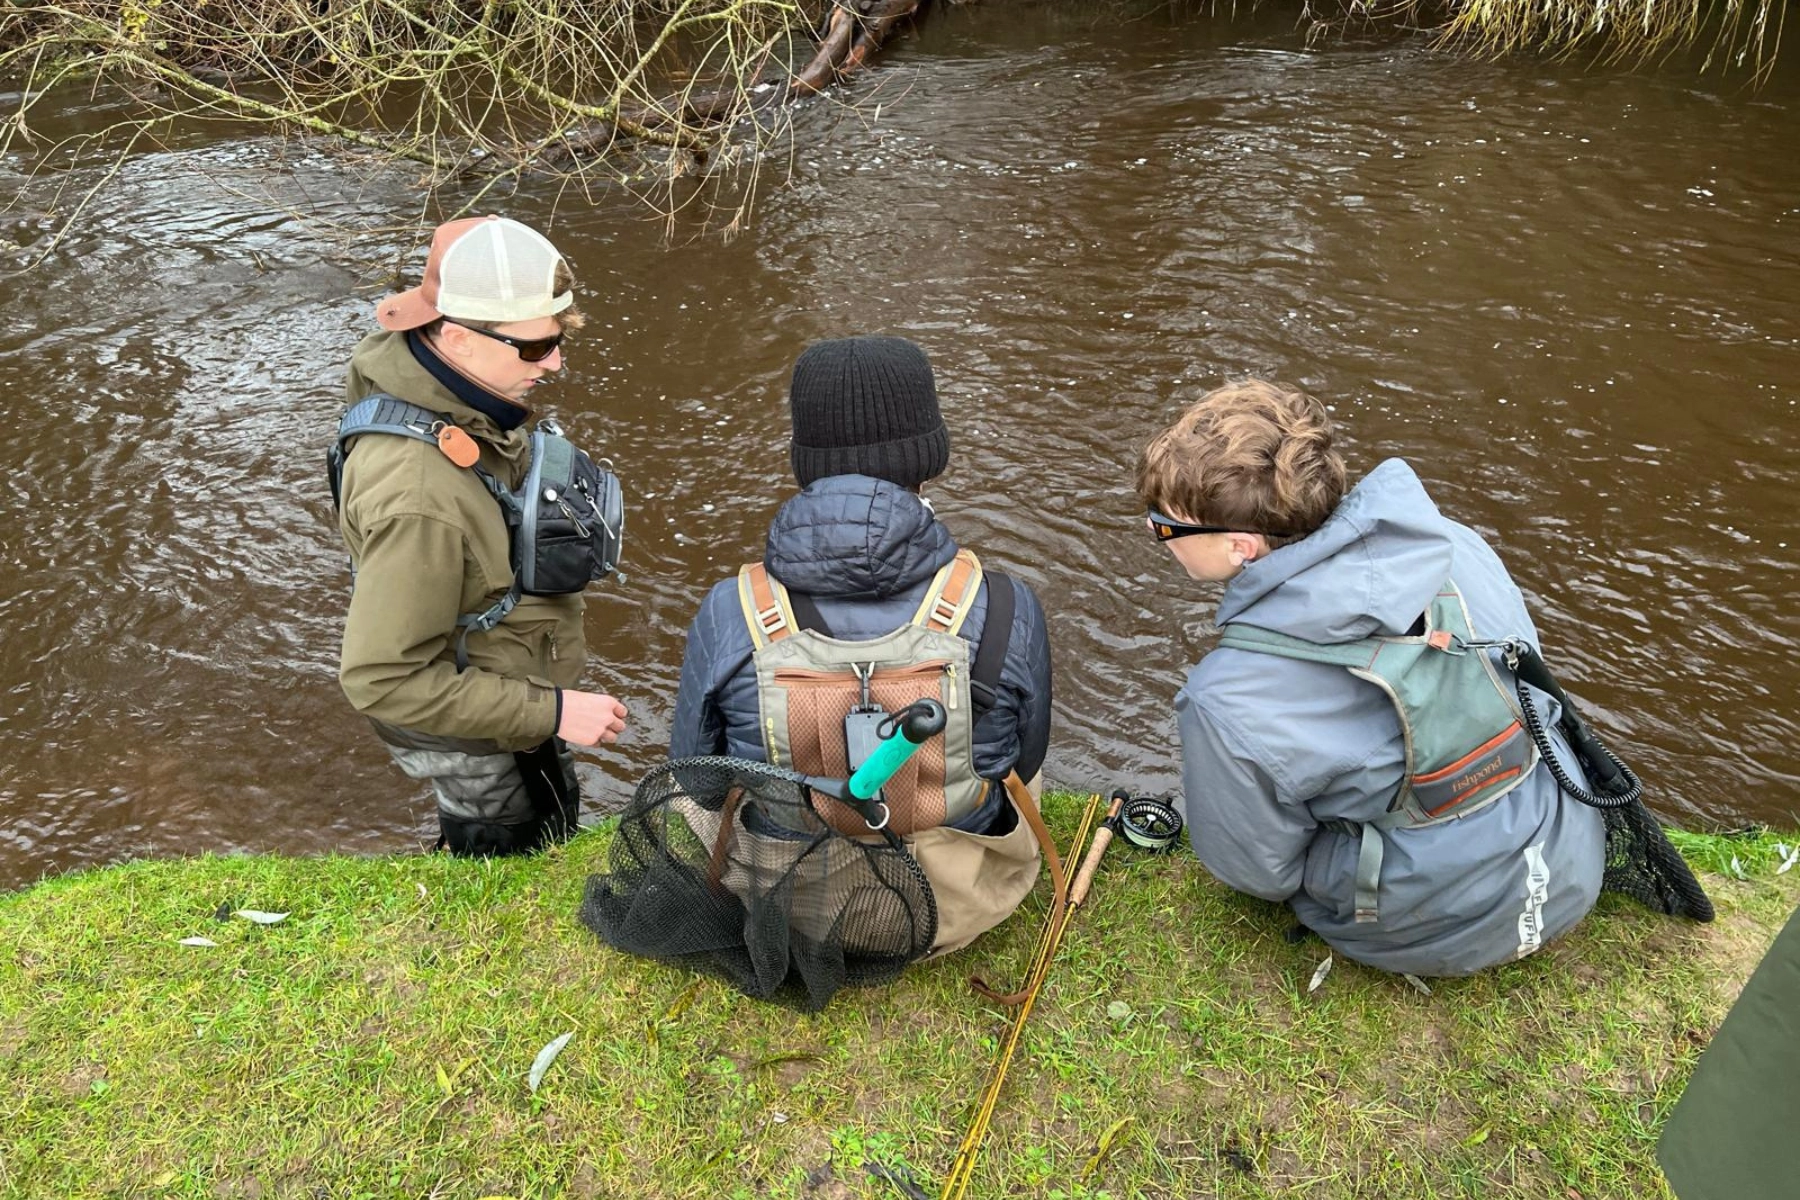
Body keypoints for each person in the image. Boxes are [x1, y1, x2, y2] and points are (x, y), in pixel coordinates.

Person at [1136, 378, 1605, 976]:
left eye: (1166, 528)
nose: (1158, 537)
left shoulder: (1226, 695)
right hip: (1568, 855)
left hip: (1439, 929)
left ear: (1241, 549)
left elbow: (1256, 872)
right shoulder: (1453, 543)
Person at [668, 335, 1054, 954]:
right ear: (930, 458)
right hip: (953, 907)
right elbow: (1025, 761)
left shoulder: (731, 607)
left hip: (790, 906)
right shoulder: (1007, 603)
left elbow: (698, 777)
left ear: (805, 462)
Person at [332, 215, 628, 856]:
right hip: (469, 727)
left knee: (549, 809)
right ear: (456, 338)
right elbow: (381, 680)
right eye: (533, 348)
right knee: (506, 839)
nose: (555, 364)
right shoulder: (416, 496)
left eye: (557, 340)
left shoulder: (454, 394)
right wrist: (553, 713)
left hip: (505, 691)